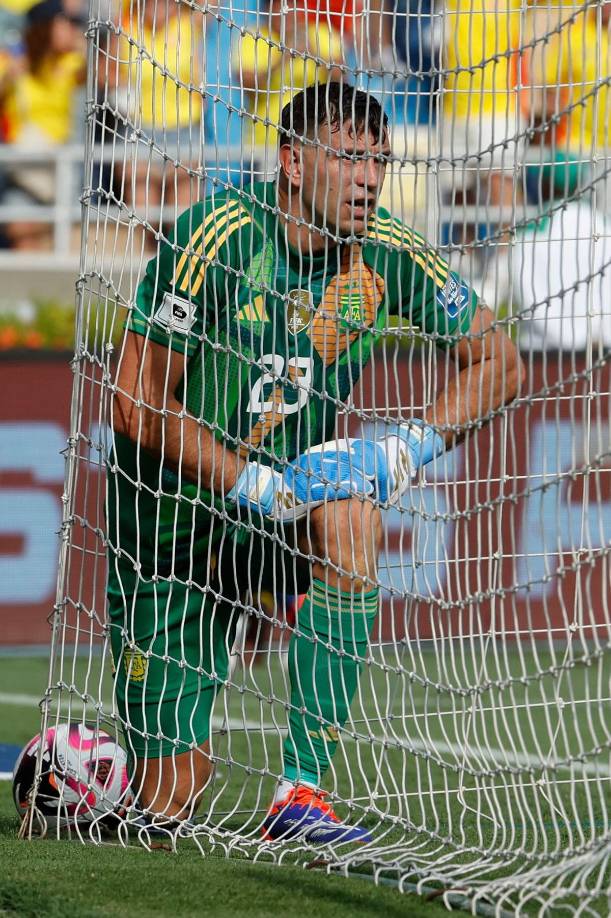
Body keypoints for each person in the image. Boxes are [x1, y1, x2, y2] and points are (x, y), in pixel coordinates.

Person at [109, 82, 523, 843]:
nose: (369, 178)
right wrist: (246, 479)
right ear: (293, 163)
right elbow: (135, 402)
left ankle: (298, 794)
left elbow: (496, 363)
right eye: (349, 159)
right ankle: (87, 771)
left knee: (349, 501)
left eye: (380, 162)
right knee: (169, 799)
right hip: (174, 532)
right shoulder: (217, 235)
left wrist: (403, 449)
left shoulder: (387, 252)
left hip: (286, 514)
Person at [0, 0, 86, 250]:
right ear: (45, 27)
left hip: (63, 171)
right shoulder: (14, 67)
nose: (70, 28)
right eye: (64, 23)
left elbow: (103, 76)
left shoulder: (73, 65)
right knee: (22, 227)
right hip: (24, 172)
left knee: (57, 234)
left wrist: (82, 47)